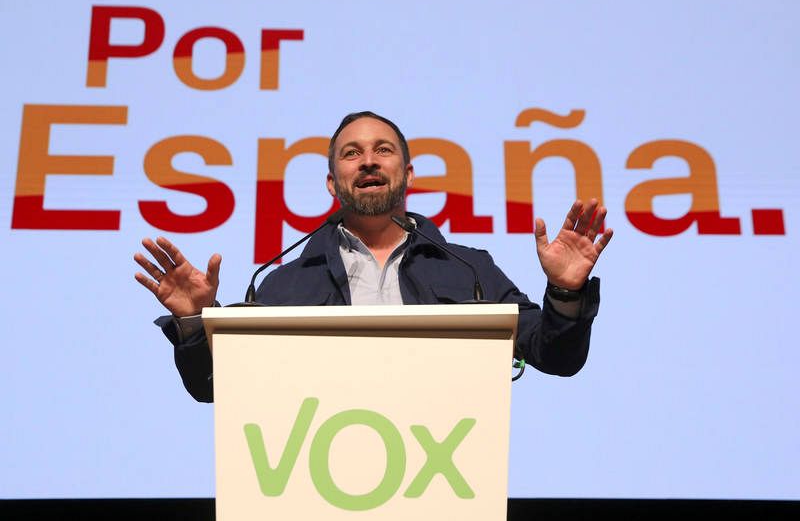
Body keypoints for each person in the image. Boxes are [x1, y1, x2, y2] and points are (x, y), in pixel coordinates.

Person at [134, 111, 613, 402]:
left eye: (382, 150)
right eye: (351, 153)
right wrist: (194, 322)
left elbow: (556, 356)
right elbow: (214, 388)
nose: (368, 160)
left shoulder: (469, 268)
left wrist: (565, 291)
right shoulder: (283, 284)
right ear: (332, 183)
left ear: (408, 174)